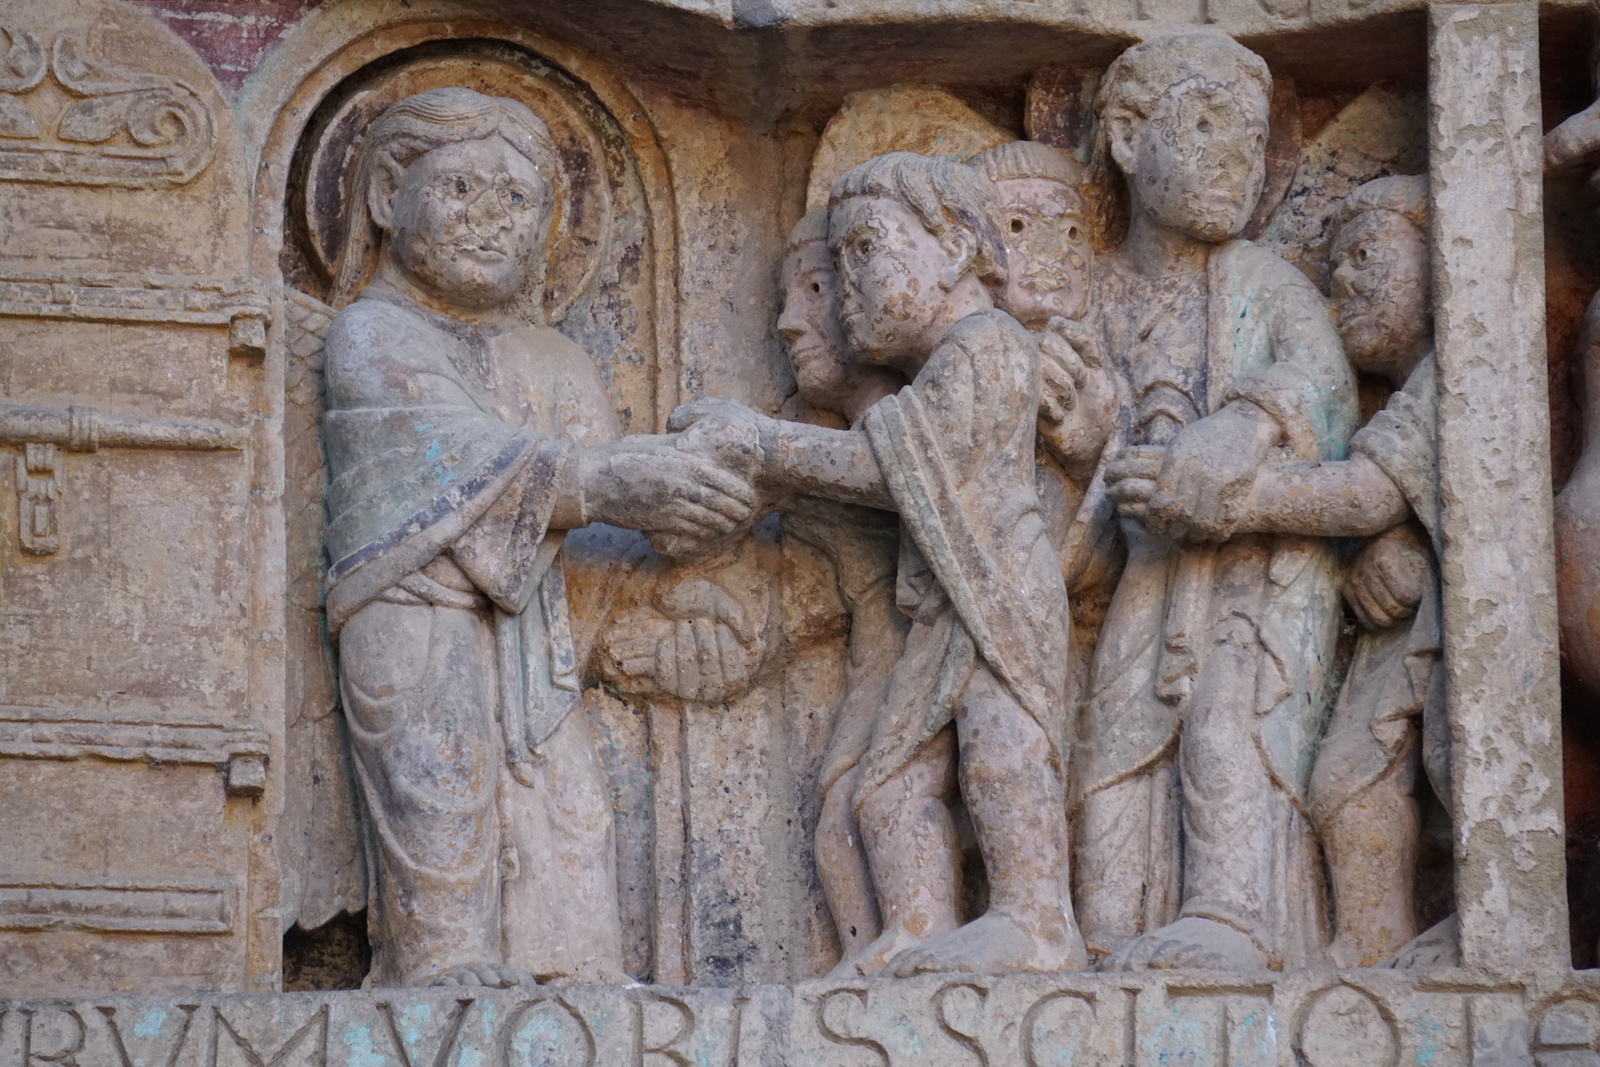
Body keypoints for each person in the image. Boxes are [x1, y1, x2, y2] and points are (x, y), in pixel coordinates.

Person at [319, 87, 755, 987]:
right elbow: (451, 460)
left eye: (517, 202)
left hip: (541, 646)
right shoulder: (372, 334)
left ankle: (573, 974)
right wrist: (607, 483)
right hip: (416, 617)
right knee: (441, 784)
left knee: (568, 805)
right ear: (386, 193)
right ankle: (439, 964)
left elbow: (599, 549)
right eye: (461, 191)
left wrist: (676, 577)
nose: (489, 222)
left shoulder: (555, 361)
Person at [673, 151, 1087, 975]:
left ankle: (1038, 921)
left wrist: (763, 445)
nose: (849, 280)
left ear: (960, 250)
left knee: (1003, 753)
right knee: (888, 785)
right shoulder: (938, 370)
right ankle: (917, 929)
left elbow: (890, 470)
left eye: (865, 249)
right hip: (945, 598)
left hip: (999, 587)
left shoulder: (989, 345)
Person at [1079, 33, 1357, 971]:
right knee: (1109, 753)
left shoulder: (1271, 287)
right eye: (1204, 125)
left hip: (1256, 573)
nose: (1233, 159)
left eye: (1252, 142)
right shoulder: (1090, 296)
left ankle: (1230, 915)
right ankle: (1104, 935)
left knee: (1224, 724)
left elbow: (1320, 382)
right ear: (1125, 136)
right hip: (1137, 578)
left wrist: (1239, 432)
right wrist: (1100, 453)